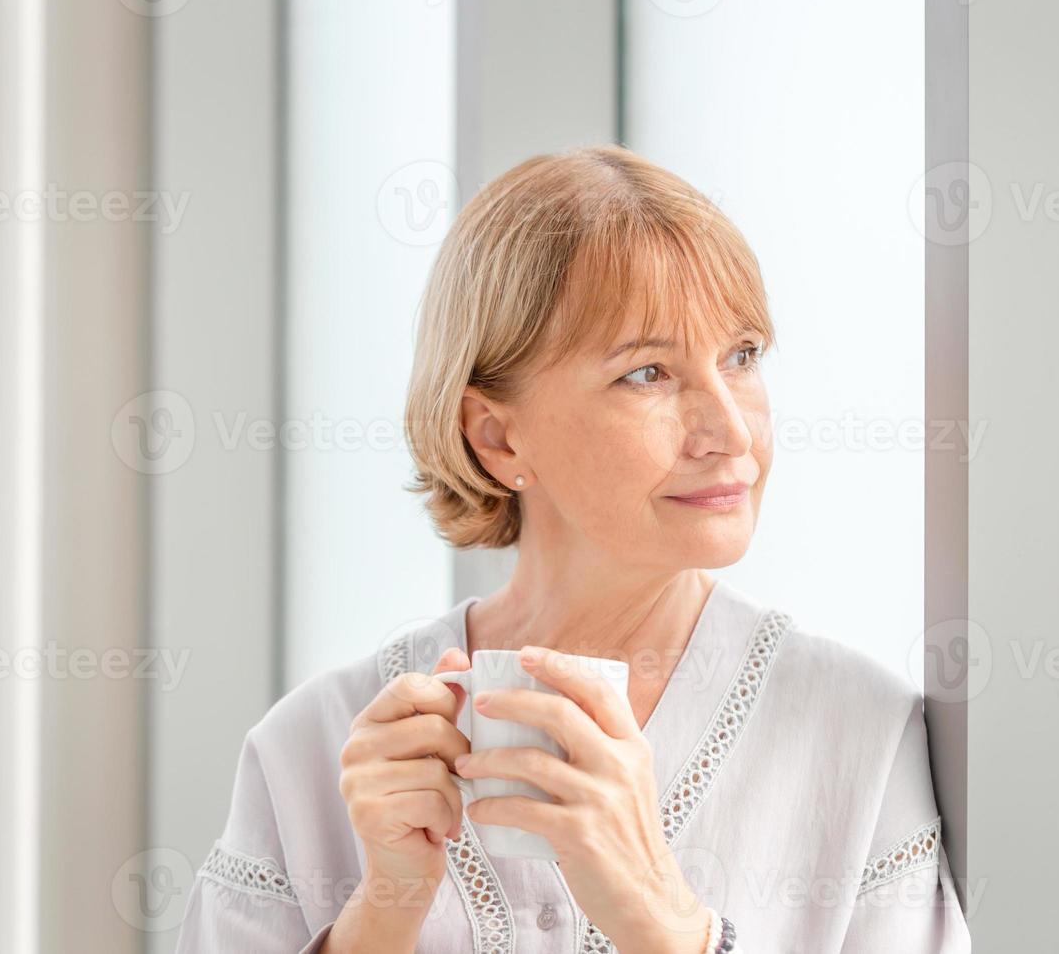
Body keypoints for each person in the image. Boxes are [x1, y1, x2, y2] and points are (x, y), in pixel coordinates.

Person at [174, 145, 971, 953]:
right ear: (494, 436)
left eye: (743, 356)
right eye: (648, 374)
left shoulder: (860, 736)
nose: (731, 431)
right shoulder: (308, 750)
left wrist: (668, 925)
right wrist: (381, 916)